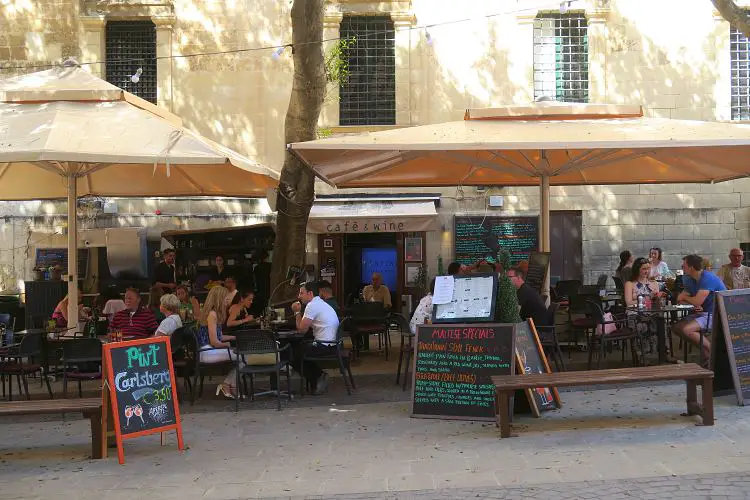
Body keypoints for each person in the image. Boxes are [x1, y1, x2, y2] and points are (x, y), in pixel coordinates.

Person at [672, 254, 727, 365]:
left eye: (684, 266)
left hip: (718, 314)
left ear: (691, 267)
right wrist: (690, 301)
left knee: (687, 330)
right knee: (676, 327)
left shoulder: (708, 278)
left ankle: (712, 353)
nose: (682, 268)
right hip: (703, 313)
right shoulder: (689, 279)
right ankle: (707, 354)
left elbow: (695, 301)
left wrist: (688, 299)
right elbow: (679, 300)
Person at [291, 281, 340, 394]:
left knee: (292, 353)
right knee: (297, 350)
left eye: (301, 293)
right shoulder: (320, 303)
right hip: (331, 343)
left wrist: (297, 312)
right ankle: (317, 378)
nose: (299, 296)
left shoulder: (312, 305)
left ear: (310, 294)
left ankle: (318, 377)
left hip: (325, 345)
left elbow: (302, 330)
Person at [196, 286, 242, 399]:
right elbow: (215, 341)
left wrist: (235, 337)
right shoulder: (212, 315)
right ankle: (227, 385)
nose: (228, 300)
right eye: (226, 298)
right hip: (207, 352)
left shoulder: (214, 313)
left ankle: (229, 385)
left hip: (209, 349)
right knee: (245, 357)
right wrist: (227, 345)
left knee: (243, 356)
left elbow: (219, 336)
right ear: (218, 299)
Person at [493, 252, 522, 324]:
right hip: (519, 325)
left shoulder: (506, 285)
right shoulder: (508, 285)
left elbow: (507, 315)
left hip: (513, 327)